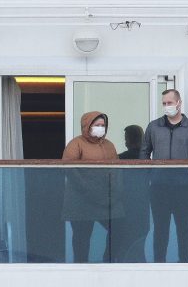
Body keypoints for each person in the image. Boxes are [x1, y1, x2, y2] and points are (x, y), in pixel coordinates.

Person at [140, 89, 188, 263]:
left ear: (179, 103)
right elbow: (144, 152)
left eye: (169, 103)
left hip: (184, 188)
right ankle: (159, 264)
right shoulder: (154, 126)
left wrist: (187, 174)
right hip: (159, 187)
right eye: (164, 103)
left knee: (184, 228)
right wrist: (152, 173)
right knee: (160, 228)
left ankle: (185, 262)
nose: (166, 106)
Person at [61, 111, 123, 263]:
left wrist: (115, 192)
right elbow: (68, 168)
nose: (100, 128)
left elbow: (117, 170)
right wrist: (87, 190)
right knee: (82, 238)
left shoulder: (109, 145)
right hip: (82, 201)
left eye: (103, 125)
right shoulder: (76, 144)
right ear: (87, 126)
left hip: (107, 200)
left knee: (119, 230)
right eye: (97, 125)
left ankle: (108, 261)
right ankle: (80, 267)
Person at [112, 124, 149, 262]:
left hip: (124, 204)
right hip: (142, 206)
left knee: (121, 238)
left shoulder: (119, 159)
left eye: (126, 138)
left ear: (131, 139)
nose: (125, 141)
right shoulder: (148, 160)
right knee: (138, 238)